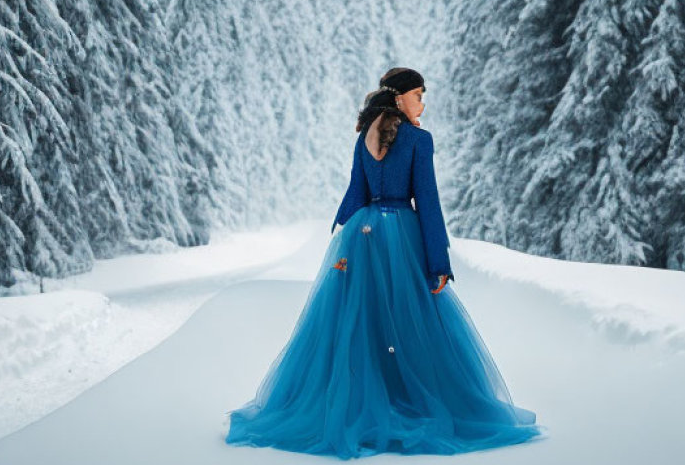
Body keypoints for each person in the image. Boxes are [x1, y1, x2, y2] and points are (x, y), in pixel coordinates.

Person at [225, 67, 546, 457]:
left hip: (363, 237)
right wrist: (437, 262)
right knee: (410, 321)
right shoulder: (419, 140)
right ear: (399, 98)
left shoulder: (364, 136)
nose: (422, 103)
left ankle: (361, 403)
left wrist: (344, 233)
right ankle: (406, 398)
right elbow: (426, 202)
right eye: (418, 95)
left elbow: (356, 192)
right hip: (402, 238)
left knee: (361, 323)